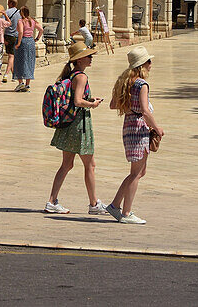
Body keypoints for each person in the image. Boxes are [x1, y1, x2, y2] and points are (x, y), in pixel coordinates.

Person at [45, 40, 108, 216]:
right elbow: (78, 101)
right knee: (90, 165)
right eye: (88, 56)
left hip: (69, 124)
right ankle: (94, 204)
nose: (91, 58)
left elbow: (77, 96)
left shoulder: (72, 75)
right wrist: (92, 104)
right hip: (79, 125)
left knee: (67, 165)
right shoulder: (81, 76)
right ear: (79, 60)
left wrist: (90, 98)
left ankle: (52, 200)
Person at [106, 47, 163, 225]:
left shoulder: (124, 82)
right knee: (136, 173)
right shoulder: (141, 84)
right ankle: (126, 212)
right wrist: (157, 128)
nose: (151, 64)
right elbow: (145, 111)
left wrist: (130, 106)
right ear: (142, 65)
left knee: (139, 171)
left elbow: (113, 105)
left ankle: (115, 205)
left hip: (128, 125)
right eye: (149, 61)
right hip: (139, 128)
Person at [13, 6, 42, 92]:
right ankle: (27, 84)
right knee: (29, 61)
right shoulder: (32, 21)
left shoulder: (21, 21)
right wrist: (37, 39)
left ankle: (21, 82)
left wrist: (18, 43)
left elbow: (21, 31)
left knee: (19, 62)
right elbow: (41, 29)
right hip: (31, 42)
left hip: (23, 41)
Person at [2, 0, 21, 82]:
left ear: (10, 3)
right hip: (16, 36)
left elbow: (2, 25)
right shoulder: (20, 13)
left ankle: (6, 74)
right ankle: (14, 75)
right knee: (12, 55)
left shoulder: (6, 12)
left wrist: (2, 38)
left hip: (8, 35)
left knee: (11, 56)